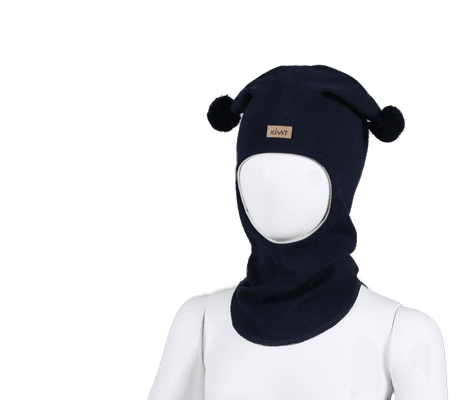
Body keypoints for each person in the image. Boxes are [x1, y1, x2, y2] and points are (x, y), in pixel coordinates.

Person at [148, 64, 449, 400]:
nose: (271, 190)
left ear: (343, 183)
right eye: (255, 171)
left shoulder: (404, 334)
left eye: (302, 174)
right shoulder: (199, 321)